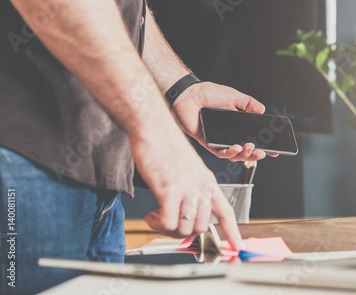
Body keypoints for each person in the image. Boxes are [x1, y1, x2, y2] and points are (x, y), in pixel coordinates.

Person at [0, 0, 275, 293]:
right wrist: (161, 136)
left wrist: (181, 88)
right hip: (26, 162)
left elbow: (124, 10)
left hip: (102, 178)